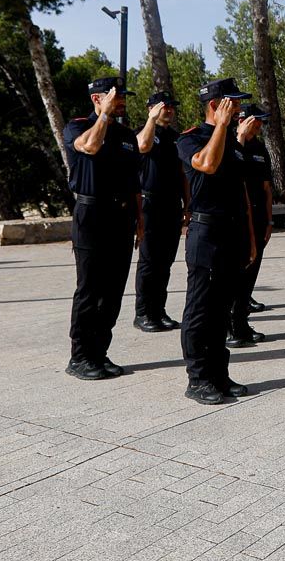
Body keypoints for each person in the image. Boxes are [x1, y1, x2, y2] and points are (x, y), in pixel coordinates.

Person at [176, 78, 256, 404]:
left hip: (233, 232)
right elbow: (206, 165)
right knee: (200, 310)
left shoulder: (235, 144)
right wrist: (221, 127)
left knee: (222, 311)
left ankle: (219, 375)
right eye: (232, 103)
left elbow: (242, 194)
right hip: (206, 234)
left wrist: (250, 239)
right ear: (215, 105)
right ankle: (198, 379)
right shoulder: (190, 138)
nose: (238, 108)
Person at [63, 77, 142, 381]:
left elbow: (134, 181)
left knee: (112, 291)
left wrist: (140, 222)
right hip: (91, 214)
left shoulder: (125, 134)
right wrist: (105, 116)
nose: (122, 101)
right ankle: (80, 356)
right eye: (117, 97)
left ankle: (99, 352)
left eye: (122, 97)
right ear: (98, 99)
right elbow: (90, 146)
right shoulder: (78, 125)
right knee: (90, 289)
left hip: (121, 216)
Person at [133, 91, 187, 333]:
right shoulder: (144, 133)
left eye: (171, 107)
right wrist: (151, 121)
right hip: (150, 204)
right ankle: (143, 312)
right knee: (149, 262)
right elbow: (143, 146)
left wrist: (189, 204)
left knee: (165, 261)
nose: (169, 110)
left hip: (172, 204)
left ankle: (159, 310)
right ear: (151, 108)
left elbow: (184, 174)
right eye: (164, 106)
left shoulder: (176, 138)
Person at [227, 101, 273, 348]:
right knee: (234, 275)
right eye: (256, 120)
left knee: (249, 276)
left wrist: (268, 221)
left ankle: (241, 323)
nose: (260, 125)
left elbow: (266, 187)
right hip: (236, 217)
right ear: (242, 120)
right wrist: (240, 139)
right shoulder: (230, 143)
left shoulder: (260, 148)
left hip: (256, 217)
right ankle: (230, 327)